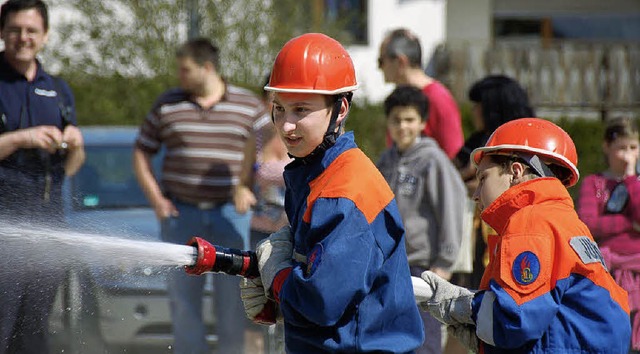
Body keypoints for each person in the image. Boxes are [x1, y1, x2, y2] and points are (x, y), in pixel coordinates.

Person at [239, 33, 424, 353]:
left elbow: (322, 301)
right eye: (279, 108)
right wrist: (277, 298)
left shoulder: (343, 193)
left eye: (300, 110)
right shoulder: (315, 173)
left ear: (340, 109)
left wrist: (279, 278)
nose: (285, 125)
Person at [415, 117, 632, 353]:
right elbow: (543, 319)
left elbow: (514, 318)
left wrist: (458, 304)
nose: (476, 194)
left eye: (483, 178)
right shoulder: (561, 220)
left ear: (515, 172)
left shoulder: (531, 222)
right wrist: (481, 336)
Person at [133, 38, 270, 354]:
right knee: (183, 301)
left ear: (207, 68)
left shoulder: (248, 106)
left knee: (233, 303)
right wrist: (157, 202)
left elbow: (273, 153)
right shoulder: (167, 104)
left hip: (231, 216)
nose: (179, 76)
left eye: (186, 69)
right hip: (182, 216)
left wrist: (247, 187)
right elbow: (141, 151)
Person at [0, 0, 85, 352]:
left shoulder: (59, 88)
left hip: (49, 224)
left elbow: (72, 166)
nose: (23, 37)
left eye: (31, 30)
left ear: (45, 36)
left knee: (36, 331)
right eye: (15, 30)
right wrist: (23, 138)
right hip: (4, 225)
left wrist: (75, 145)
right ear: (3, 33)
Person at [377, 85, 466, 354]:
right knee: (391, 338)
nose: (402, 126)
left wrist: (445, 262)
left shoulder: (433, 160)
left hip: (424, 268)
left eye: (409, 120)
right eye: (396, 120)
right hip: (390, 265)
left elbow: (452, 206)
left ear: (423, 123)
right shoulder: (385, 161)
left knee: (423, 341)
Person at [453, 75, 535, 288]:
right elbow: (453, 171)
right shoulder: (477, 139)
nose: (473, 112)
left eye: (478, 105)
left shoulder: (523, 140)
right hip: (476, 224)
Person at [577, 116, 640, 352]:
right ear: (607, 147)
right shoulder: (594, 183)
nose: (627, 155)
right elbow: (588, 224)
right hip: (607, 270)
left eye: (633, 148)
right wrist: (628, 222)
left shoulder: (638, 182)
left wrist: (632, 178)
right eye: (621, 148)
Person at [378, 28, 463, 159]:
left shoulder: (438, 97)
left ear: (400, 61)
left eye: (381, 61)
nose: (379, 68)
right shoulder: (398, 98)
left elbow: (454, 156)